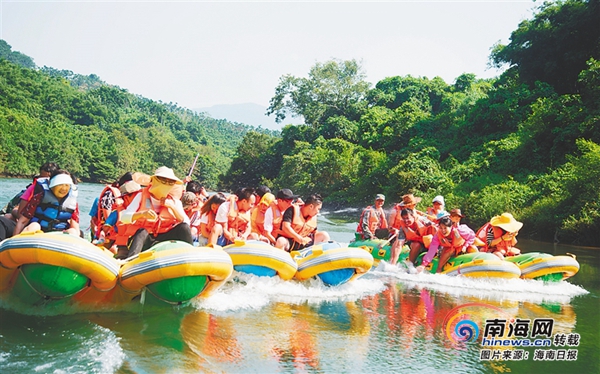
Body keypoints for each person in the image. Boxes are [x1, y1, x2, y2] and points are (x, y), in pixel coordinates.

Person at [118, 166, 192, 258]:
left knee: (184, 227)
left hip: (165, 238)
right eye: (163, 180)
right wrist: (142, 214)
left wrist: (171, 207)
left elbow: (186, 222)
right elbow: (124, 217)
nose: (166, 184)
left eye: (170, 182)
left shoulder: (174, 201)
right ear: (154, 180)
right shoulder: (141, 195)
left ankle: (190, 257)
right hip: (146, 238)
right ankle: (131, 260)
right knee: (142, 231)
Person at [14, 170, 80, 236]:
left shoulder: (72, 202)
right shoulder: (39, 197)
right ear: (52, 185)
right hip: (39, 232)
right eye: (60, 185)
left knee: (73, 231)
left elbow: (75, 227)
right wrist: (14, 238)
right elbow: (22, 221)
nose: (63, 188)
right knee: (34, 226)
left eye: (66, 185)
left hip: (59, 234)